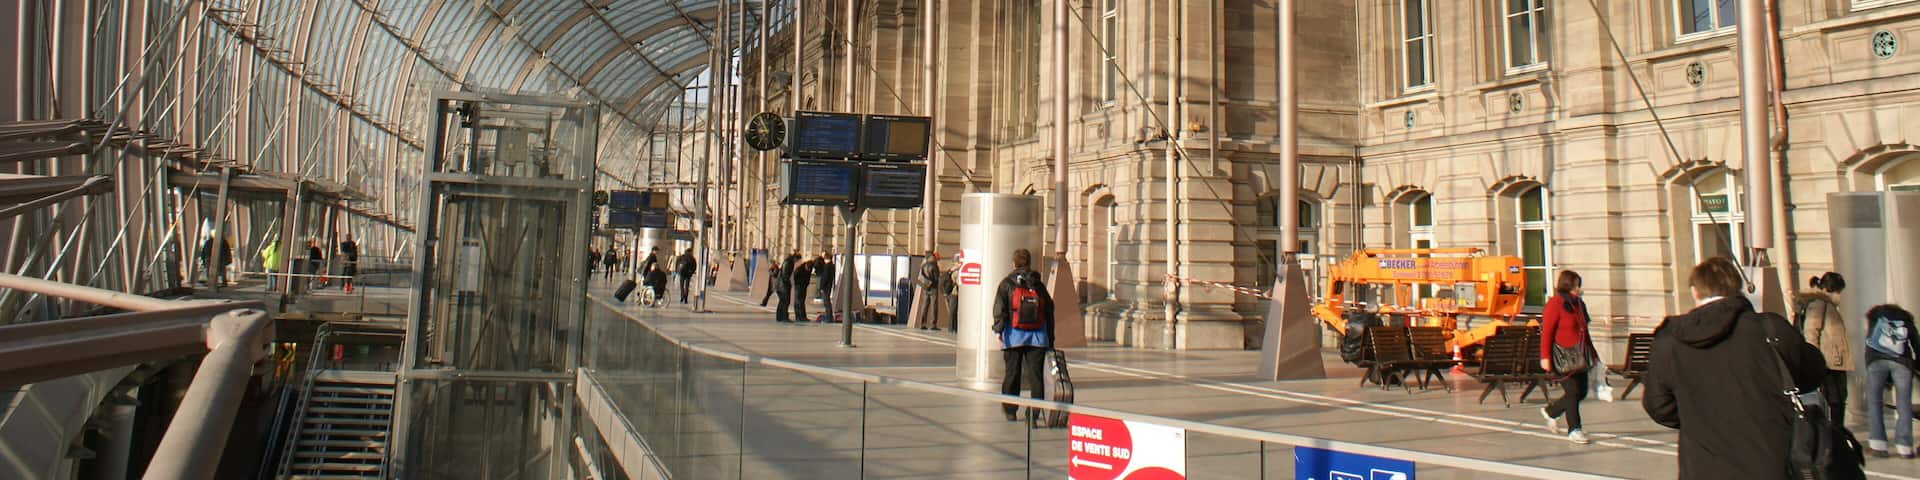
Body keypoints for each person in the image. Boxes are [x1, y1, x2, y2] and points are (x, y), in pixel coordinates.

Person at [1642, 257, 1826, 479]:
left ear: (1695, 292)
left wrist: (1697, 417)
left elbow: (1657, 405)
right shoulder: (1770, 328)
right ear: (1737, 288)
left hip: (1702, 465)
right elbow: (1813, 372)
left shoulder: (1670, 340)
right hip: (1770, 458)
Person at [993, 248, 1055, 425]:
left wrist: (998, 330)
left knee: (1012, 373)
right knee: (1036, 376)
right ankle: (1034, 413)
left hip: (1013, 335)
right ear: (1029, 263)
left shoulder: (1006, 283)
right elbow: (1049, 310)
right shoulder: (1038, 284)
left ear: (1014, 263)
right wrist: (1050, 337)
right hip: (1037, 337)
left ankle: (1011, 410)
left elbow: (999, 308)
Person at [1539, 270, 1597, 445]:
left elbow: (1584, 331)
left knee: (1582, 392)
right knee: (1572, 392)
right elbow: (1547, 332)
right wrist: (1545, 357)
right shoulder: (1555, 304)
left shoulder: (1579, 304)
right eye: (1576, 285)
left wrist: (1594, 355)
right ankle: (1574, 429)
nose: (1579, 289)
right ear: (1568, 285)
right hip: (1562, 356)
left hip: (1580, 355)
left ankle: (1552, 412)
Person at [1795, 272, 1852, 427]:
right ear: (1831, 289)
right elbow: (1811, 331)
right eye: (1839, 292)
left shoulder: (1824, 304)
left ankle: (1836, 431)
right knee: (1835, 400)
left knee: (1838, 399)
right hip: (1829, 361)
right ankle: (1835, 432)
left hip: (1832, 360)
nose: (1840, 296)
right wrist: (1814, 358)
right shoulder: (1820, 304)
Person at [1864, 304, 1919, 458]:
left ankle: (1878, 445)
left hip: (1876, 362)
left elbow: (1869, 342)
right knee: (1904, 405)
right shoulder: (1906, 320)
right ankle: (1905, 447)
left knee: (1875, 403)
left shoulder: (1875, 319)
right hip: (1902, 363)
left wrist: (1869, 363)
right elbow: (1917, 344)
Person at [775, 253, 799, 323]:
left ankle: (779, 317)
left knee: (782, 302)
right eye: (797, 260)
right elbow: (786, 275)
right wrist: (788, 283)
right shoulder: (789, 262)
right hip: (783, 286)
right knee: (785, 301)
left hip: (781, 285)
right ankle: (784, 317)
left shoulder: (787, 261)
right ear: (795, 258)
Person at [792, 254, 815, 323]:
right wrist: (798, 284)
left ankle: (803, 316)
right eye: (808, 268)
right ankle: (798, 316)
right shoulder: (799, 269)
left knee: (802, 301)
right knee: (798, 301)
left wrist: (806, 284)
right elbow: (794, 277)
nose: (809, 270)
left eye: (810, 269)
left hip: (804, 286)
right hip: (798, 286)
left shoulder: (809, 268)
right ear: (806, 266)